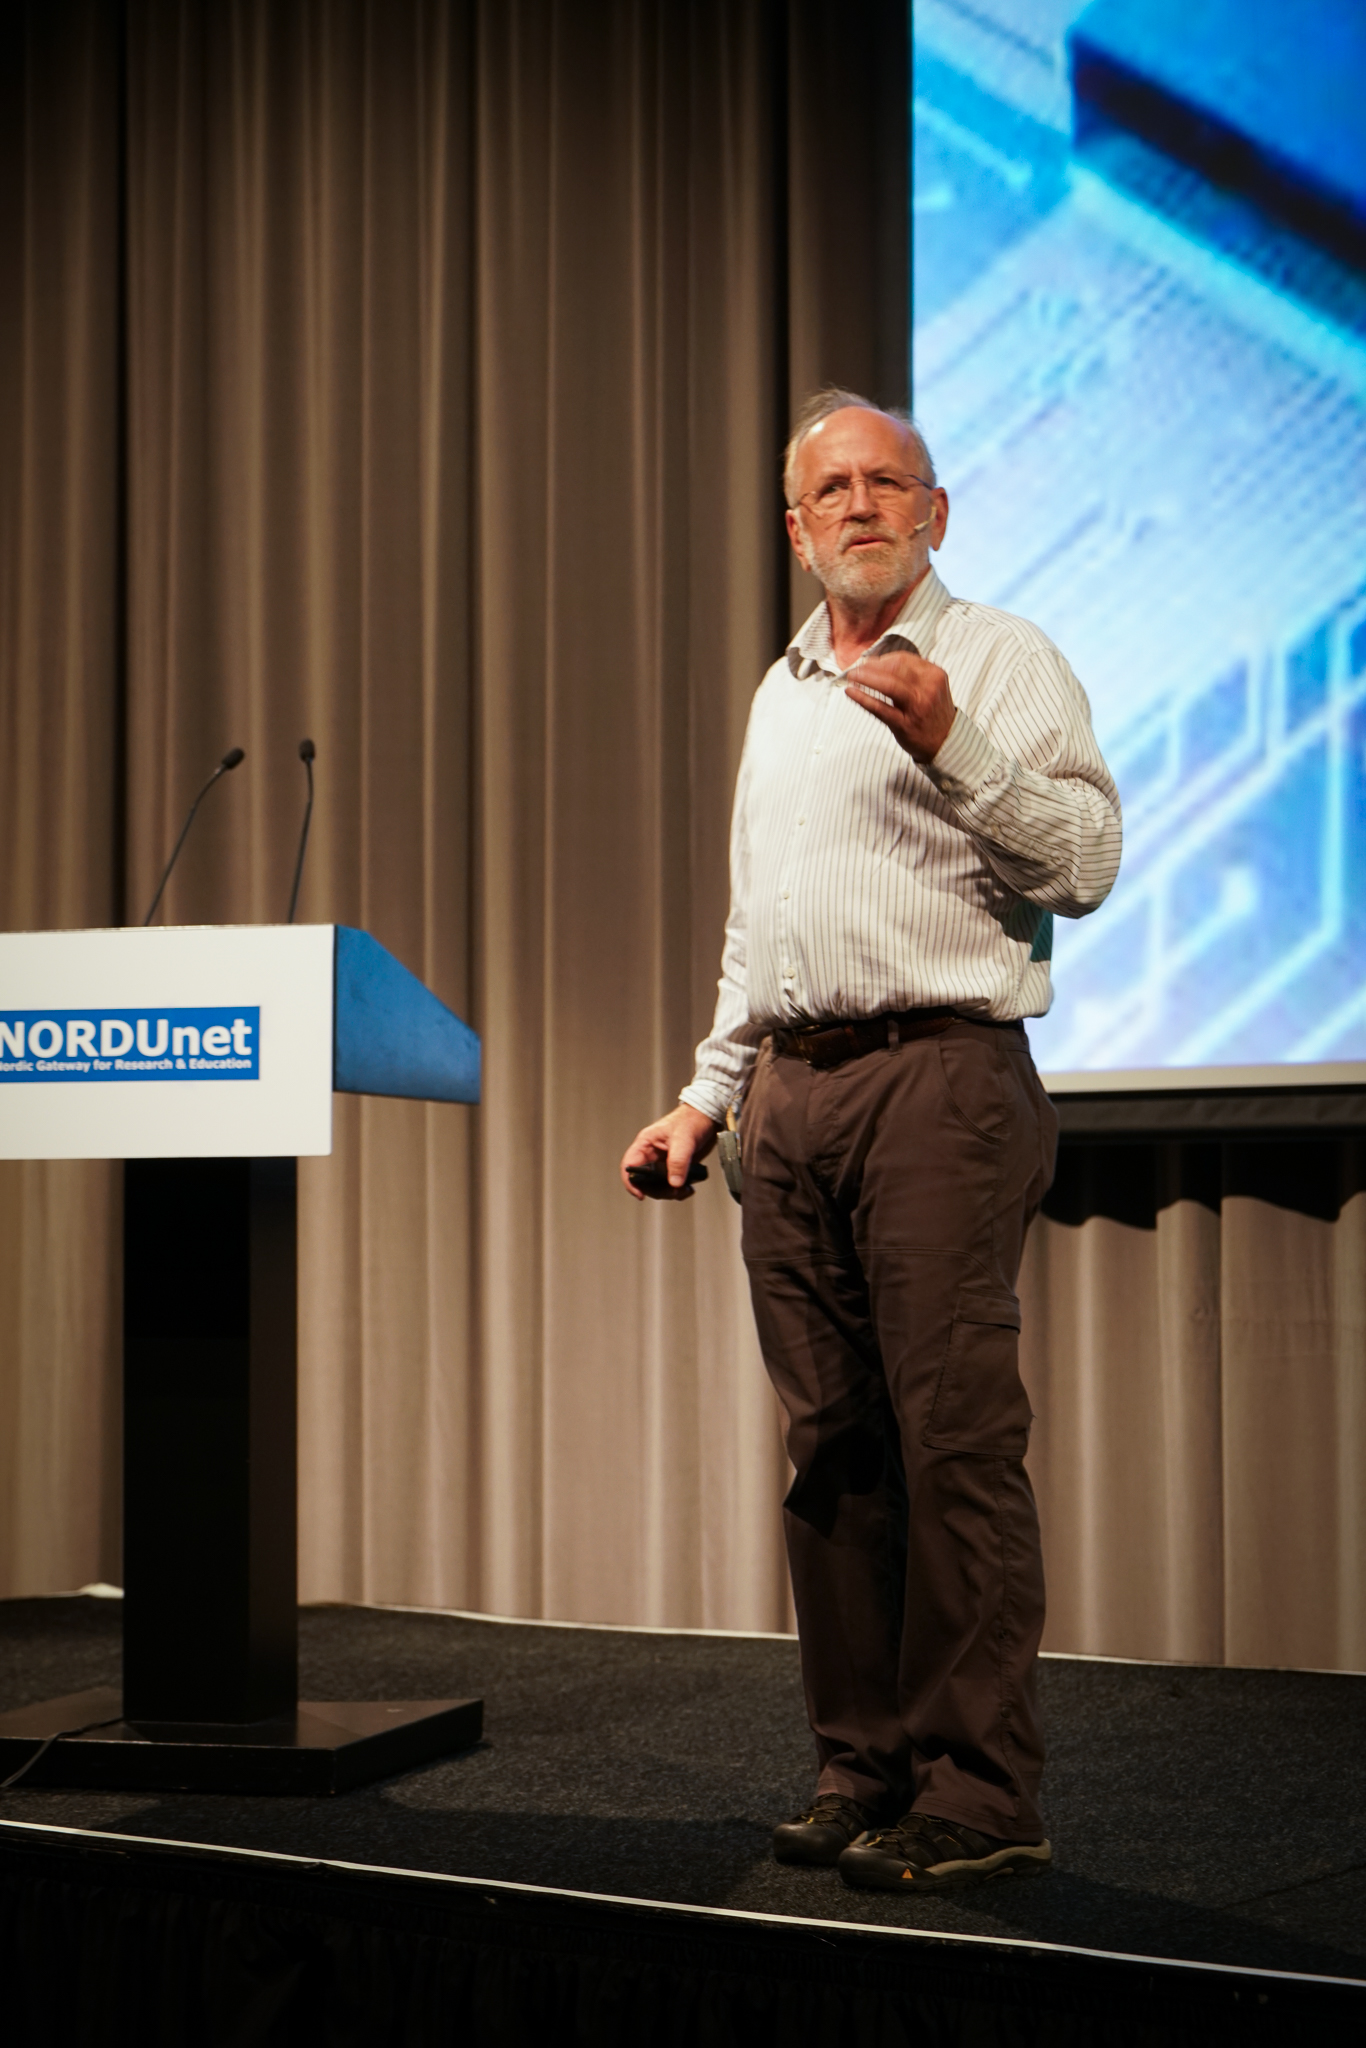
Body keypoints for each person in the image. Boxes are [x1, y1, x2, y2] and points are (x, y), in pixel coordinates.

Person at [620, 389, 1120, 1893]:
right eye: (830, 489)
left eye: (888, 483)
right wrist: (706, 1094)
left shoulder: (1003, 658)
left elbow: (1087, 863)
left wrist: (956, 744)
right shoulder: (780, 694)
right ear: (795, 528)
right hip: (792, 1100)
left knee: (952, 1444)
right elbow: (759, 928)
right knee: (832, 1453)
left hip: (938, 1082)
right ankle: (865, 1768)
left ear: (934, 512)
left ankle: (981, 1792)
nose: (859, 506)